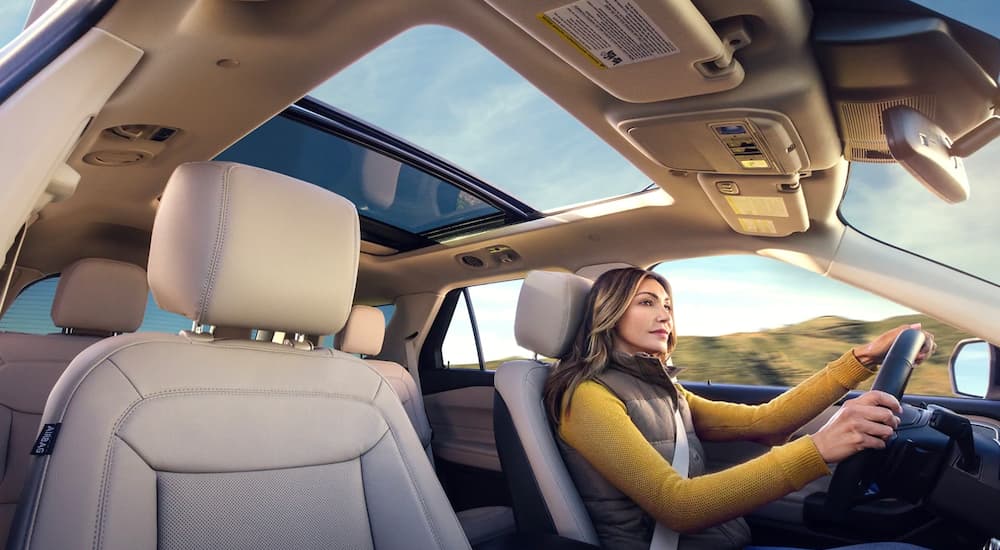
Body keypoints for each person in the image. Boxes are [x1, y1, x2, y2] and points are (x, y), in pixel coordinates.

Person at [543, 267, 936, 550]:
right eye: (647, 303)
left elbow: (766, 422)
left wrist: (863, 358)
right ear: (608, 313)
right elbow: (678, 507)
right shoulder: (587, 396)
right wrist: (820, 448)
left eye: (667, 304)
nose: (665, 314)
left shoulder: (665, 390)